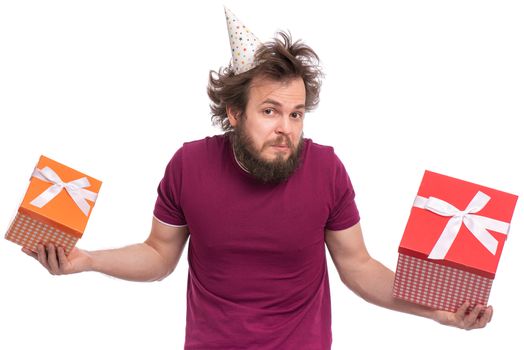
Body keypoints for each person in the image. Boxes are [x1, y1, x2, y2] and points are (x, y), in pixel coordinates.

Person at [22, 8, 492, 350]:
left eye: (296, 113)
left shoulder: (327, 169)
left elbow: (359, 267)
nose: (285, 128)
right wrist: (86, 261)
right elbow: (159, 254)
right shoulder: (188, 166)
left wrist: (439, 311)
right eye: (269, 111)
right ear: (233, 113)